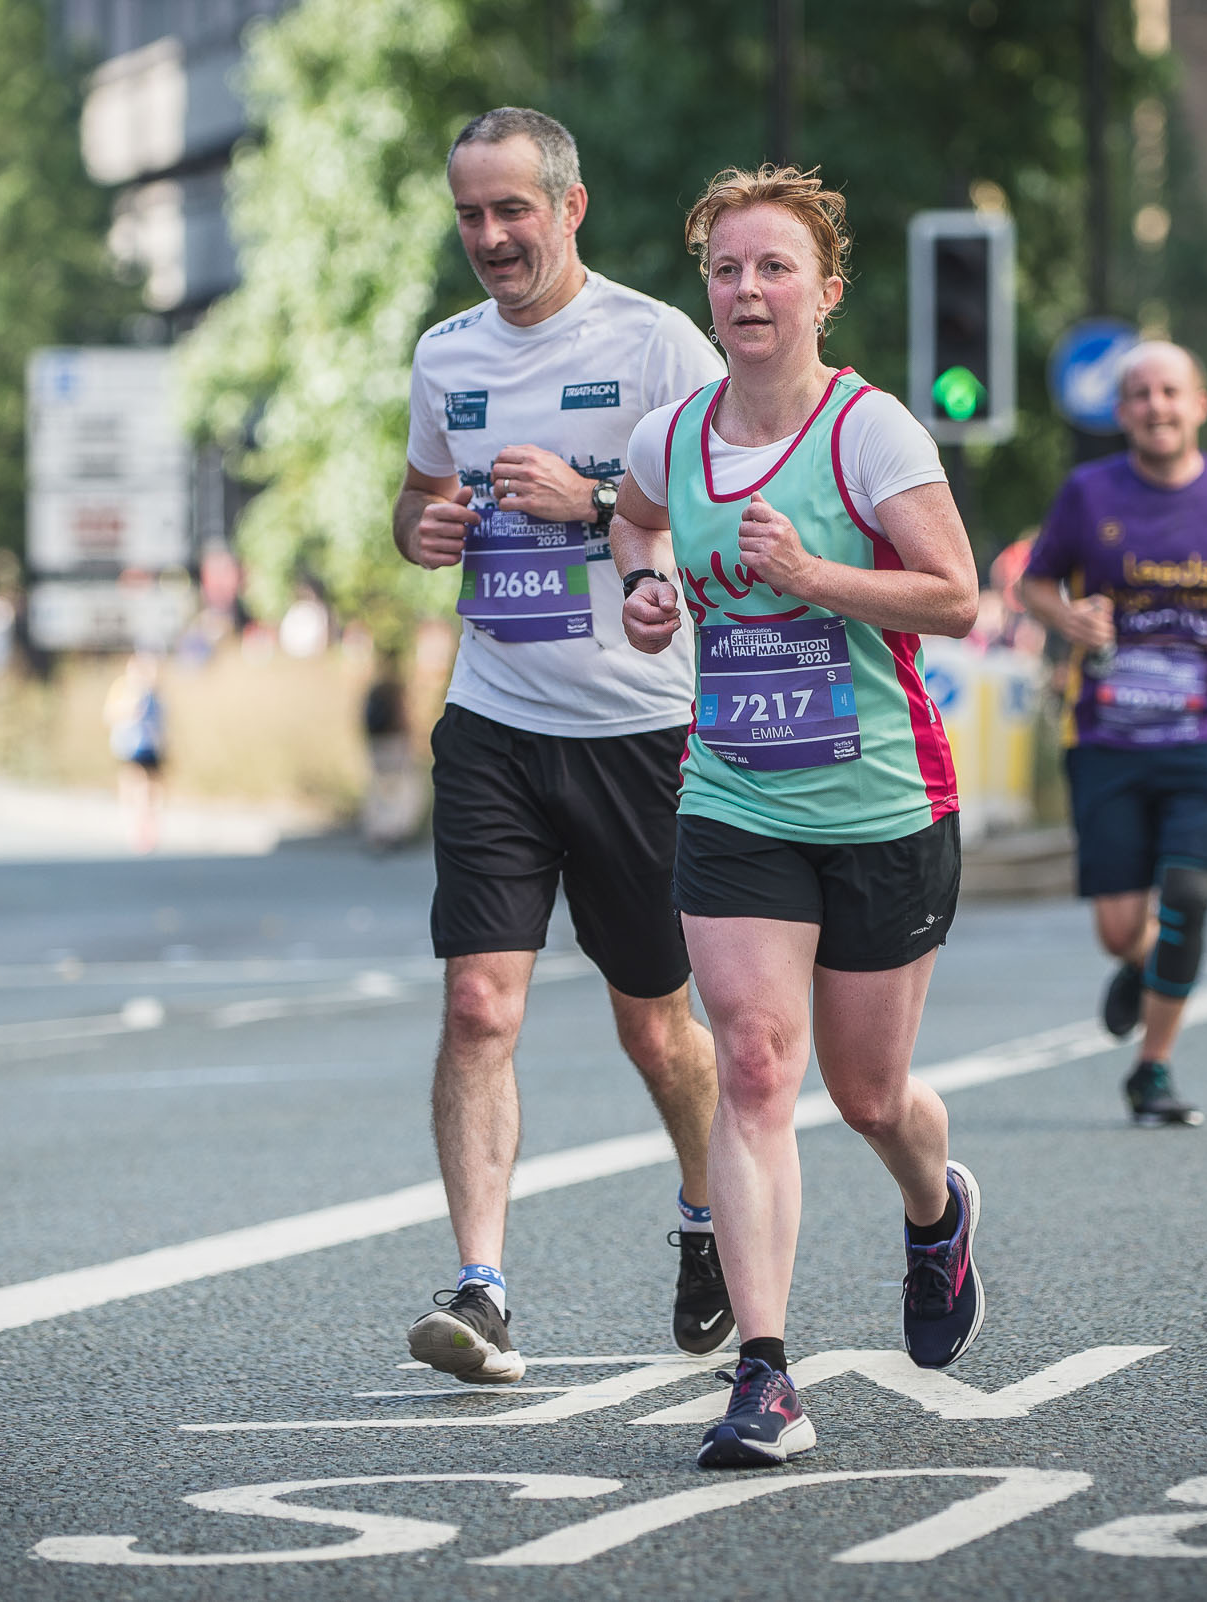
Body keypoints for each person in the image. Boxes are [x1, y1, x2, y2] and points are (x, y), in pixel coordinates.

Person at [615, 165, 982, 1468]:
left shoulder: (869, 433)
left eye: (774, 268)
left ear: (823, 292)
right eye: (725, 268)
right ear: (705, 292)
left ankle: (936, 1211)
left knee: (869, 1093)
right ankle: (765, 1374)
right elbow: (637, 523)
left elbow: (956, 597)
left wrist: (813, 572)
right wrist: (650, 593)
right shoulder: (674, 435)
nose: (747, 288)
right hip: (732, 789)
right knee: (758, 1065)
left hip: (884, 797)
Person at [393, 108, 730, 1381]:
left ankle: (705, 1216)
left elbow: (728, 505)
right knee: (479, 1002)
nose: (488, 238)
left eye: (511, 212)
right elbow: (420, 497)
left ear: (569, 207)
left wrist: (592, 502)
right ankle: (480, 1288)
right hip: (495, 720)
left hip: (639, 730)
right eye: (470, 215)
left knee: (656, 1026)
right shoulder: (445, 355)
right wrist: (419, 529)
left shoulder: (655, 344)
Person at [1018, 343, 1207, 1126]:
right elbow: (1034, 583)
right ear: (1123, 412)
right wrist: (1067, 617)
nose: (1157, 406)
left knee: (1186, 894)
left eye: (1171, 392)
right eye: (1141, 395)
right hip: (1108, 737)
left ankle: (1153, 1068)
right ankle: (1143, 967)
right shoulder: (1089, 493)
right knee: (1121, 927)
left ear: (1199, 405)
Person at [104, 650, 165, 854]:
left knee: (152, 791)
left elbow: (162, 720)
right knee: (134, 787)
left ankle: (149, 829)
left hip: (151, 746)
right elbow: (111, 715)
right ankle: (134, 829)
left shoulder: (153, 692)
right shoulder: (123, 688)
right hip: (128, 746)